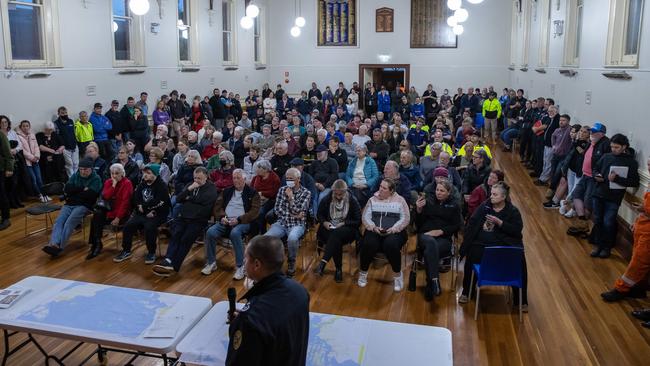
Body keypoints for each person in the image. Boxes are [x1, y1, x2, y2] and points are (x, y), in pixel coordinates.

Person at [225, 235, 309, 366]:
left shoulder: (250, 320)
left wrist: (240, 326)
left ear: (257, 264)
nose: (244, 262)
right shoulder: (300, 291)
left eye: (246, 258)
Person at [459, 182, 527, 309]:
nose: (491, 197)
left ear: (503, 197)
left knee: (520, 260)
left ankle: (520, 300)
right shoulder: (484, 207)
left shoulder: (513, 211)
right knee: (471, 254)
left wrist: (500, 223)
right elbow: (473, 223)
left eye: (495, 194)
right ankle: (467, 291)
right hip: (482, 246)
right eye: (491, 194)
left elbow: (517, 230)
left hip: (503, 246)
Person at [601, 157, 650, 302]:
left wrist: (644, 209)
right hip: (642, 227)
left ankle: (620, 289)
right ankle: (638, 288)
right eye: (648, 163)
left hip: (648, 233)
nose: (648, 167)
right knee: (638, 260)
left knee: (638, 263)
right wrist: (637, 221)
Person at [154, 167, 218, 276]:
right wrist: (189, 190)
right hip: (183, 216)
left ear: (206, 177)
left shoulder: (211, 188)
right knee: (175, 235)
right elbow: (179, 199)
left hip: (198, 219)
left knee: (185, 239)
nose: (196, 180)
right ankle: (168, 260)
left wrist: (189, 198)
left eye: (199, 178)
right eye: (195, 178)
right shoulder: (190, 185)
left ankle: (174, 266)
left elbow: (204, 200)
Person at [203, 169, 261, 278]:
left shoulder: (253, 193)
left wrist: (238, 220)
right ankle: (211, 263)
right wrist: (222, 217)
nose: (235, 180)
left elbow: (254, 212)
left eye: (238, 178)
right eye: (234, 178)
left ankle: (240, 266)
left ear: (244, 179)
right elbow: (217, 206)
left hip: (243, 222)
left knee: (235, 233)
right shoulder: (227, 191)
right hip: (226, 220)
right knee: (210, 232)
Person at [590, 134, 639, 258]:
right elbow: (596, 168)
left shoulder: (631, 162)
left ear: (624, 147)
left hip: (614, 197)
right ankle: (598, 245)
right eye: (612, 147)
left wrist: (617, 179)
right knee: (598, 220)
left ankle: (606, 247)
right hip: (599, 193)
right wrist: (597, 175)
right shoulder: (606, 157)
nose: (613, 149)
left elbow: (634, 182)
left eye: (616, 147)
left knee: (608, 222)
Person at [42, 158, 102, 257]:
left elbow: (91, 195)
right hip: (70, 204)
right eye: (81, 169)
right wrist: (82, 189)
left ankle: (59, 246)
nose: (82, 171)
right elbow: (67, 189)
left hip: (84, 205)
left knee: (69, 222)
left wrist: (74, 192)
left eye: (85, 169)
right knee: (59, 221)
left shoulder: (96, 179)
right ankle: (53, 244)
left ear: (91, 169)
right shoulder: (76, 175)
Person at [358, 179, 410, 291]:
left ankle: (397, 275)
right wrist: (373, 227)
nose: (380, 189)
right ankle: (363, 273)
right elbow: (365, 217)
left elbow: (405, 218)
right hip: (375, 230)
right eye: (380, 186)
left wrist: (394, 229)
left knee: (390, 245)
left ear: (391, 191)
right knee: (368, 244)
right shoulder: (372, 199)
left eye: (384, 188)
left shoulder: (400, 200)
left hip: (394, 231)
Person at [114, 164, 170, 264]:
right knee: (128, 226)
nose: (145, 175)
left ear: (155, 174)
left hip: (158, 214)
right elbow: (136, 198)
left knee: (149, 227)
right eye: (144, 173)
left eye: (148, 173)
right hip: (143, 213)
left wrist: (145, 208)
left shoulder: (162, 186)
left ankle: (151, 252)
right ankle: (126, 250)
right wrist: (141, 207)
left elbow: (160, 202)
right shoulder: (142, 184)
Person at [415, 180, 462, 301]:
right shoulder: (428, 202)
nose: (438, 193)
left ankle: (430, 283)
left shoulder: (454, 205)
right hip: (425, 235)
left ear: (449, 192)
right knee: (430, 243)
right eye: (437, 190)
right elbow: (418, 224)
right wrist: (419, 210)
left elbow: (457, 225)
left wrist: (441, 231)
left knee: (429, 251)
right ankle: (435, 280)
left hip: (443, 238)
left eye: (442, 191)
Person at [264, 168, 311, 277]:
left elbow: (299, 210)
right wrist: (294, 215)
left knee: (292, 238)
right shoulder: (282, 190)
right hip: (282, 223)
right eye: (287, 178)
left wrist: (290, 198)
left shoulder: (306, 193)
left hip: (297, 225)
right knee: (266, 238)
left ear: (298, 179)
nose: (288, 181)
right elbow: (277, 209)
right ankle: (273, 263)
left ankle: (291, 262)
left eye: (291, 179)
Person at [314, 179, 361, 283]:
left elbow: (358, 220)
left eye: (341, 194)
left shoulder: (352, 200)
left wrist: (344, 223)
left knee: (336, 235)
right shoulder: (327, 199)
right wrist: (325, 222)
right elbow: (319, 215)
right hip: (329, 227)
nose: (338, 196)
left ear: (345, 192)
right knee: (336, 239)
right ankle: (338, 270)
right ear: (333, 191)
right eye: (336, 194)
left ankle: (323, 263)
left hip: (347, 228)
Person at [87, 163, 133, 260]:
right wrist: (113, 185)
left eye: (117, 173)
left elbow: (125, 203)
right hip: (109, 211)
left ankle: (95, 244)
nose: (114, 176)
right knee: (96, 215)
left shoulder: (127, 183)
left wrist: (118, 218)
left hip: (122, 214)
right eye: (112, 173)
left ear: (122, 173)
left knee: (96, 218)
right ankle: (97, 243)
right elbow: (106, 196)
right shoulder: (108, 182)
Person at [16, 120, 50, 202]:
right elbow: (22, 150)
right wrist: (32, 157)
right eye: (23, 126)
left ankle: (45, 195)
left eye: (27, 126)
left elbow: (36, 147)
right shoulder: (18, 136)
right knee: (33, 180)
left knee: (39, 179)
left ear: (29, 127)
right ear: (21, 127)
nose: (25, 127)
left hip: (36, 160)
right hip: (28, 162)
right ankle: (39, 195)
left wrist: (37, 156)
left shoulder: (32, 135)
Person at [0, 127, 14, 230]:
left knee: (1, 193)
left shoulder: (1, 135)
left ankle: (6, 218)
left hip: (1, 168)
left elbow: (7, 152)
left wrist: (9, 168)